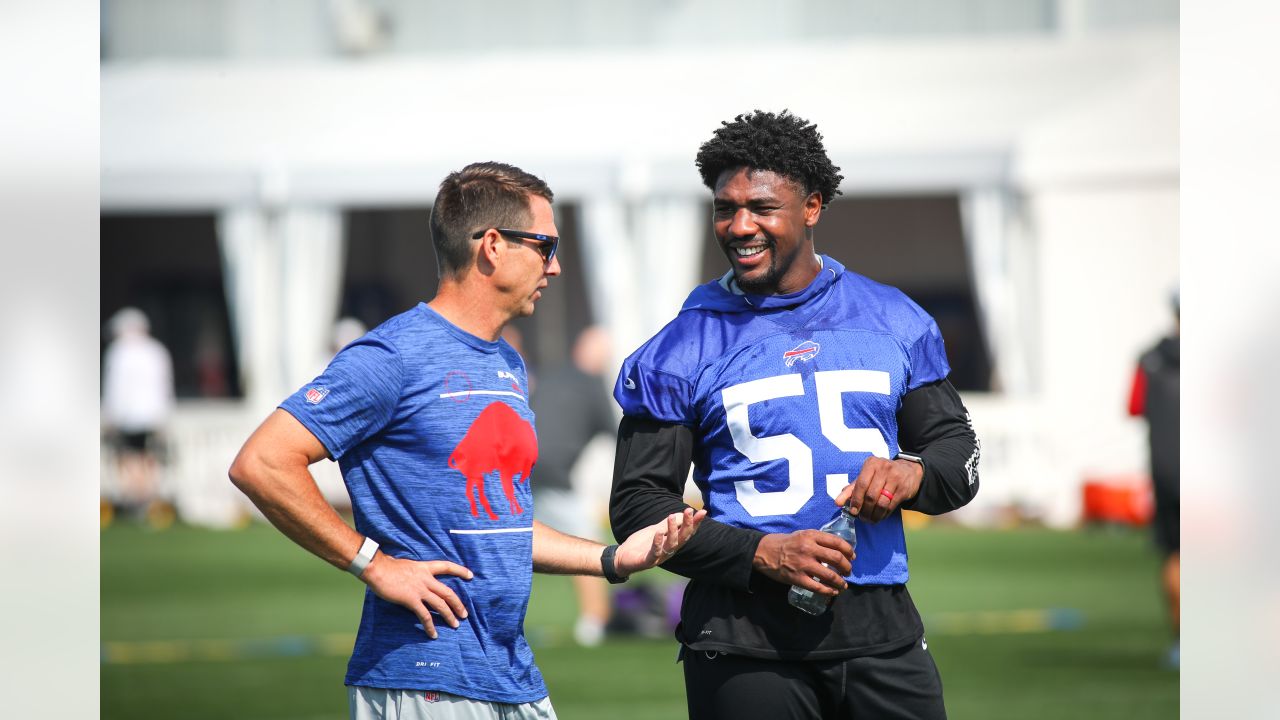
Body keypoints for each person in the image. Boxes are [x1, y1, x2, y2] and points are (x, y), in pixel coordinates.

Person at [229, 161, 705, 720]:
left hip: (510, 673)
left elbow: (499, 524)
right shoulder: (392, 356)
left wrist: (609, 559)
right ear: (494, 246)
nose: (555, 266)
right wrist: (375, 565)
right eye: (545, 245)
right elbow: (261, 462)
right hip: (425, 678)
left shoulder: (505, 361)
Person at [608, 111, 981, 720]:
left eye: (761, 207)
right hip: (743, 637)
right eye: (725, 208)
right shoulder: (678, 349)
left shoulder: (893, 318)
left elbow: (956, 454)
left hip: (881, 630)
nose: (740, 225)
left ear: (812, 206)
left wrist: (912, 475)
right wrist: (763, 554)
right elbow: (639, 507)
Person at [529, 325, 617, 647]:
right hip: (552, 475)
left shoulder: (552, 376)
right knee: (589, 545)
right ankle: (594, 625)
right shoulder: (593, 386)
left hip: (520, 470)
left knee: (511, 545)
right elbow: (618, 436)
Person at [1127, 289, 1179, 669]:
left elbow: (1134, 407)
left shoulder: (1150, 358)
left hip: (1166, 472)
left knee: (1174, 555)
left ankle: (1182, 643)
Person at [102, 306, 175, 525]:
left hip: (128, 416)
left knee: (130, 458)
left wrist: (110, 416)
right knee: (147, 459)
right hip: (154, 415)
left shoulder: (119, 351)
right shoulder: (157, 350)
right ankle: (147, 501)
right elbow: (165, 385)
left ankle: (136, 501)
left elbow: (116, 388)